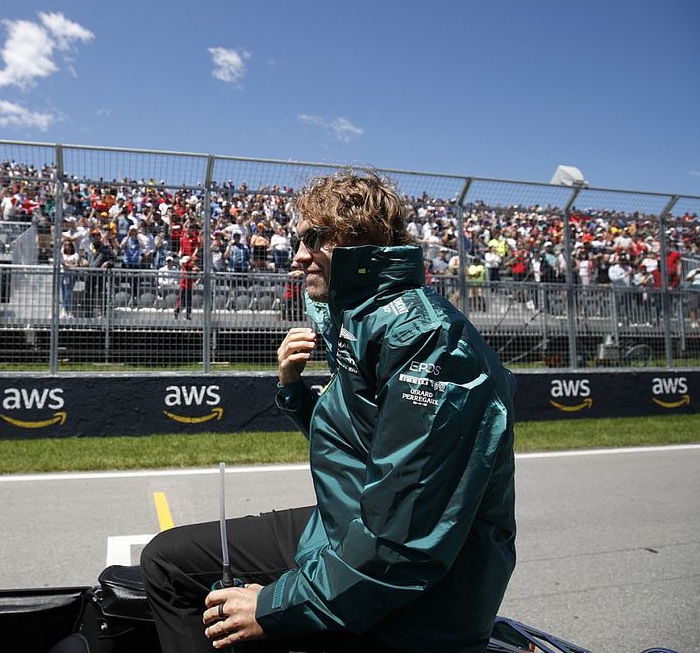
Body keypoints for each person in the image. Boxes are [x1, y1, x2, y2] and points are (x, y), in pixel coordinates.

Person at [141, 171, 517, 652]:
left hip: (422, 598)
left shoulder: (426, 341)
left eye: (312, 239)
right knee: (167, 559)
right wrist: (293, 390)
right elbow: (360, 443)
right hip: (351, 525)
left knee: (185, 578)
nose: (296, 257)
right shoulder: (360, 317)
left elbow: (402, 542)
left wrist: (277, 603)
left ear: (359, 237)